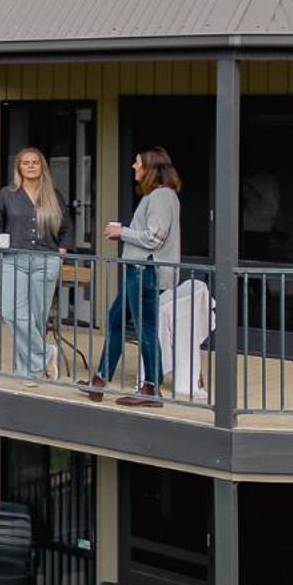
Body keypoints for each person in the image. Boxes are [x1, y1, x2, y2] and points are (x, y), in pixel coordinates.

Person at [85, 147, 182, 407]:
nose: (133, 166)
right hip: (138, 270)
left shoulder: (161, 196)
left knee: (146, 329)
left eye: (137, 162)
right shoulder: (159, 195)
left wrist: (122, 232)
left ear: (150, 167)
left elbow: (154, 237)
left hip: (145, 271)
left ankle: (151, 389)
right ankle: (100, 381)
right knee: (116, 321)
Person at [0, 147, 70, 386]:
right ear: (19, 168)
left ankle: (30, 371)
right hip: (14, 260)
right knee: (12, 313)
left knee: (36, 317)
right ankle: (46, 354)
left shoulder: (54, 195)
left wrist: (61, 252)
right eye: (25, 163)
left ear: (42, 166)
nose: (30, 166)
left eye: (35, 162)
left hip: (46, 261)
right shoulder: (7, 195)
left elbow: (65, 228)